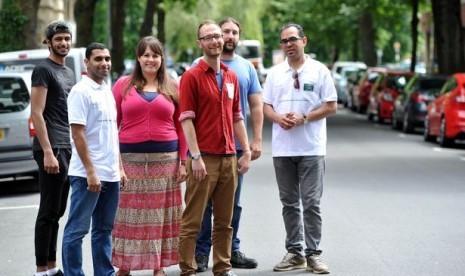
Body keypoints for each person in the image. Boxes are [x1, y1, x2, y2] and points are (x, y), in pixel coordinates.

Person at [178, 20, 251, 276]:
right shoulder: (191, 76)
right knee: (193, 221)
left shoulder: (232, 76)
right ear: (200, 43)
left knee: (225, 222)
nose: (215, 41)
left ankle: (222, 268)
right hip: (203, 158)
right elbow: (186, 119)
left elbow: (237, 116)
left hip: (229, 157)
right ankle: (187, 269)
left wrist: (247, 151)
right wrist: (194, 157)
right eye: (208, 37)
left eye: (218, 36)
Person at [262, 23, 337, 274]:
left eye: (292, 39)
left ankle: (313, 254)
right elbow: (266, 107)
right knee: (289, 203)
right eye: (283, 41)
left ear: (304, 41)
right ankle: (295, 252)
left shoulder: (319, 71)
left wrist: (305, 118)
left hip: (312, 148)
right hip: (283, 149)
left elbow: (331, 106)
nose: (288, 45)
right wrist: (279, 118)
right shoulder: (274, 73)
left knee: (312, 202)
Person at [111, 36, 188, 276]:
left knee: (160, 215)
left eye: (155, 55)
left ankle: (158, 267)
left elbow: (182, 126)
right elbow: (112, 125)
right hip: (129, 160)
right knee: (128, 214)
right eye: (146, 55)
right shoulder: (122, 85)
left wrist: (183, 161)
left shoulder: (172, 86)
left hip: (166, 160)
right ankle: (124, 266)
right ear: (138, 58)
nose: (150, 59)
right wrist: (116, 162)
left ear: (161, 59)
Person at [194, 17, 263, 272]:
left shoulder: (245, 69)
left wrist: (254, 142)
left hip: (234, 149)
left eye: (233, 32)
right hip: (207, 149)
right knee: (204, 204)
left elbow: (254, 106)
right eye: (225, 32)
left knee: (232, 204)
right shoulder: (197, 67)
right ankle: (201, 253)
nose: (229, 36)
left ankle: (231, 251)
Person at [62, 42, 126, 276]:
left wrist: (119, 167)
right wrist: (91, 171)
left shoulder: (106, 90)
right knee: (77, 231)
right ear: (87, 62)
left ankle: (104, 273)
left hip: (109, 173)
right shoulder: (81, 91)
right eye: (98, 59)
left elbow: (112, 133)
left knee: (103, 230)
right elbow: (77, 134)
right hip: (86, 175)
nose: (104, 63)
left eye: (107, 59)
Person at [30, 20, 75, 276]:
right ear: (48, 41)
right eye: (58, 39)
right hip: (51, 147)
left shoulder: (68, 72)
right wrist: (47, 151)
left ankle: (51, 266)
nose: (63, 43)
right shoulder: (43, 70)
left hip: (66, 145)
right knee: (48, 210)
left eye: (67, 38)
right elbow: (37, 113)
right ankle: (40, 270)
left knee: (58, 211)